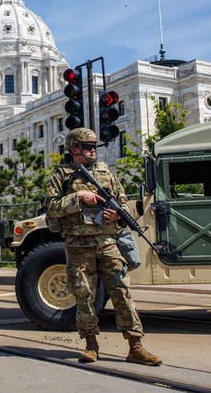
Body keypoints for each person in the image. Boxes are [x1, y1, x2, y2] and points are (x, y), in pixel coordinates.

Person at [46, 127, 161, 366]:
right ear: (74, 149)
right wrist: (78, 198)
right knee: (84, 295)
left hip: (107, 243)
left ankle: (135, 346)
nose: (92, 151)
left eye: (94, 147)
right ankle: (91, 345)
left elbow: (124, 203)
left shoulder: (105, 172)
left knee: (122, 291)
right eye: (87, 147)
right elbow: (52, 207)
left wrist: (116, 216)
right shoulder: (62, 174)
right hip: (78, 245)